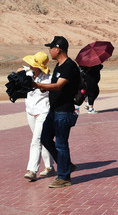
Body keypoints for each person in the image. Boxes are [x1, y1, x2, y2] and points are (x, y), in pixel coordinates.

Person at [35, 36, 81, 188]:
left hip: (64, 111)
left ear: (58, 49)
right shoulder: (59, 66)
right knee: (45, 138)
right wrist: (42, 87)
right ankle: (66, 164)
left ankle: (64, 177)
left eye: (51, 48)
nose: (49, 51)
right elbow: (54, 85)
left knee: (61, 144)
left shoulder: (69, 66)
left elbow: (59, 86)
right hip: (54, 111)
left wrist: (36, 84)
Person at [21, 51, 55, 181]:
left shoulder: (48, 79)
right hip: (30, 112)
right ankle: (49, 167)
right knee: (42, 139)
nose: (30, 66)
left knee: (36, 140)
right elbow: (20, 70)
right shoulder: (28, 74)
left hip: (43, 113)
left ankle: (32, 170)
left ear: (39, 67)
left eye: (33, 64)